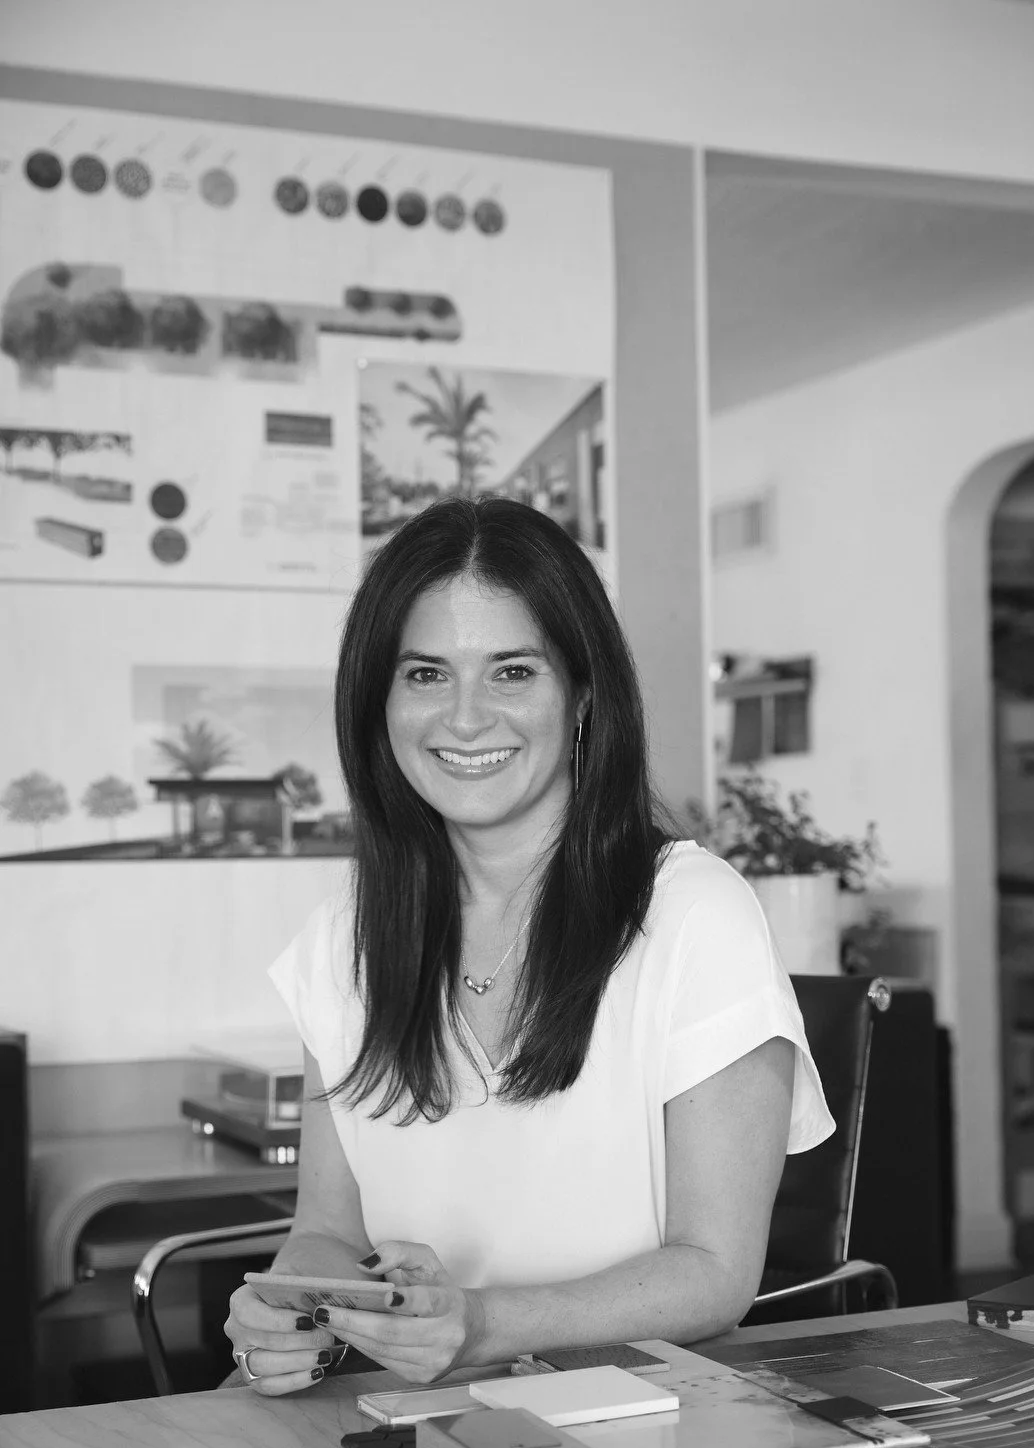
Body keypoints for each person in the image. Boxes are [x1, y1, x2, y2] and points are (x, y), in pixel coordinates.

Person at [225, 498, 833, 1394]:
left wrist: (482, 1325)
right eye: (426, 675)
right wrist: (290, 1310)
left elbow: (715, 1272)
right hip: (406, 1420)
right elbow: (329, 1229)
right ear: (379, 704)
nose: (466, 718)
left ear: (582, 693)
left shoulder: (695, 914)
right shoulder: (348, 935)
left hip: (642, 1422)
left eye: (512, 671)